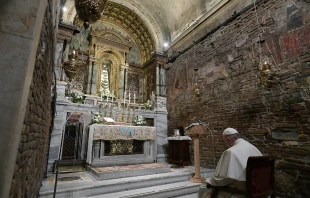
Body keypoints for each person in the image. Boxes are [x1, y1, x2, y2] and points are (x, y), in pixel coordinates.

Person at [198, 128, 262, 198]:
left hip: (242, 191)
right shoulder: (253, 147)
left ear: (229, 139)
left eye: (225, 142)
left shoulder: (231, 152)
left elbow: (224, 179)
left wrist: (210, 180)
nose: (226, 144)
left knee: (203, 187)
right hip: (259, 187)